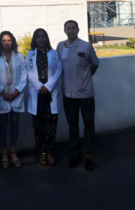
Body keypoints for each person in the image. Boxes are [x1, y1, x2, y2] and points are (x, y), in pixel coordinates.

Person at [56, 20, 100, 171]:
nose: (71, 30)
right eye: (68, 28)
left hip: (85, 93)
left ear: (78, 30)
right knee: (72, 125)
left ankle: (89, 156)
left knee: (88, 125)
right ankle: (75, 154)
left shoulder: (86, 46)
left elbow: (95, 64)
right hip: (68, 94)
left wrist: (86, 78)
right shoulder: (60, 47)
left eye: (74, 28)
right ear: (64, 30)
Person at [26, 28, 62, 167]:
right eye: (38, 37)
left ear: (47, 38)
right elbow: (28, 71)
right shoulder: (30, 54)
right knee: (38, 125)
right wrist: (39, 86)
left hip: (50, 93)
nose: (41, 39)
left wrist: (47, 86)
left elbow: (59, 70)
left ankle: (50, 151)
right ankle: (42, 152)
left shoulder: (54, 53)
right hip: (37, 94)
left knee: (51, 124)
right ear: (35, 39)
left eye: (43, 36)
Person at [0, 31, 27, 169]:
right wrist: (2, 91)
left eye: (9, 40)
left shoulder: (19, 56)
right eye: (4, 40)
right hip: (2, 97)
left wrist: (17, 91)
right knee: (2, 126)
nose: (7, 43)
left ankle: (13, 152)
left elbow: (24, 75)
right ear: (0, 42)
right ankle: (4, 153)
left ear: (13, 41)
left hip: (15, 96)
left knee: (14, 126)